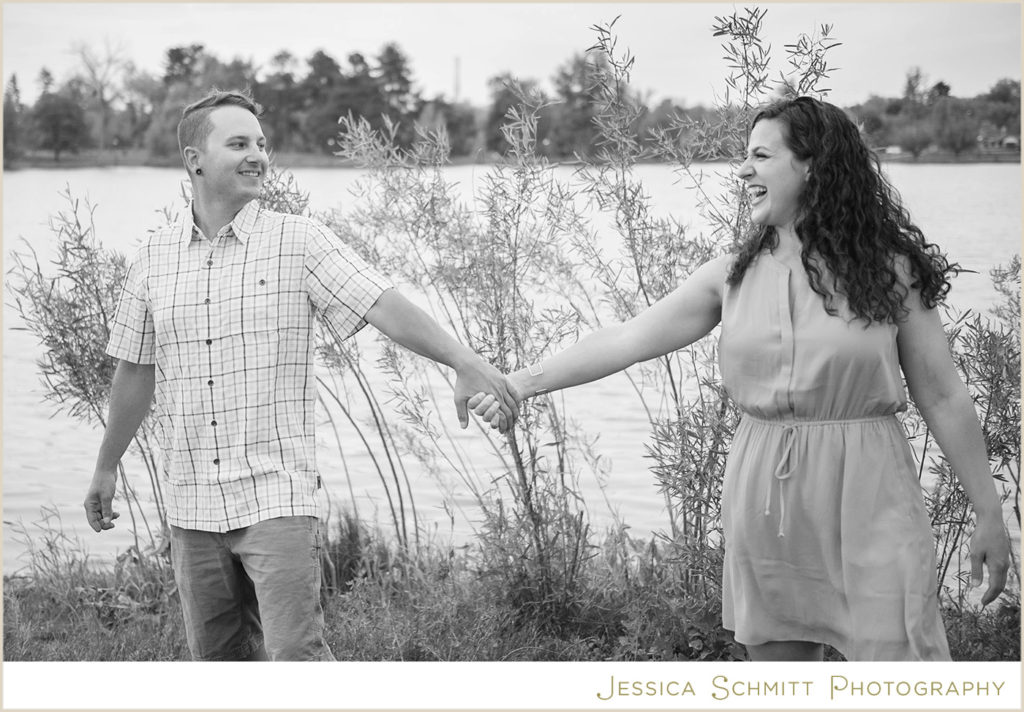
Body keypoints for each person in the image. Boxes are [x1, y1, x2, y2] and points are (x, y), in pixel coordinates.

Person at [470, 96, 1010, 661]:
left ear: (813, 165)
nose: (743, 170)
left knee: (904, 670)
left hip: (870, 489)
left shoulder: (890, 270)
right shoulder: (730, 276)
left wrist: (989, 513)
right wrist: (518, 382)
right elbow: (626, 340)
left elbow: (944, 395)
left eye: (760, 156)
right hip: (766, 498)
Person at [83, 89, 519, 661]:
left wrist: (464, 360)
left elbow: (382, 303)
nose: (258, 156)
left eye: (261, 144)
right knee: (217, 665)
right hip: (189, 502)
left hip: (276, 498)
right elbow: (135, 371)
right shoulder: (152, 258)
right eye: (238, 143)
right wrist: (107, 465)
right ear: (194, 160)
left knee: (296, 661)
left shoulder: (298, 240)